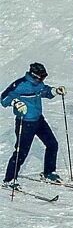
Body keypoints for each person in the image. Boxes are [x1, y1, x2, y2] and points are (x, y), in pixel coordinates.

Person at [1, 62, 67, 190]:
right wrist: (16, 102)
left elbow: (45, 91)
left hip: (38, 120)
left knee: (52, 144)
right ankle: (9, 180)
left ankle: (49, 172)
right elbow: (4, 99)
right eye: (42, 77)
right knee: (21, 152)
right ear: (34, 75)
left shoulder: (38, 84)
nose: (43, 79)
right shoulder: (20, 85)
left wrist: (55, 91)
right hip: (25, 122)